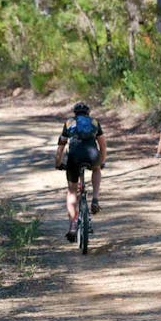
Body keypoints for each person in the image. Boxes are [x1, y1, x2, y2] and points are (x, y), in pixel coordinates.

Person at [54, 101, 107, 240]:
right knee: (96, 169)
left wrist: (58, 163)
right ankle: (95, 199)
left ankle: (72, 225)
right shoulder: (94, 122)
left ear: (75, 113)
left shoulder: (69, 123)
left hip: (74, 157)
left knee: (72, 191)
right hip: (92, 155)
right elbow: (103, 145)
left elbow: (61, 146)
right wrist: (101, 161)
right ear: (88, 113)